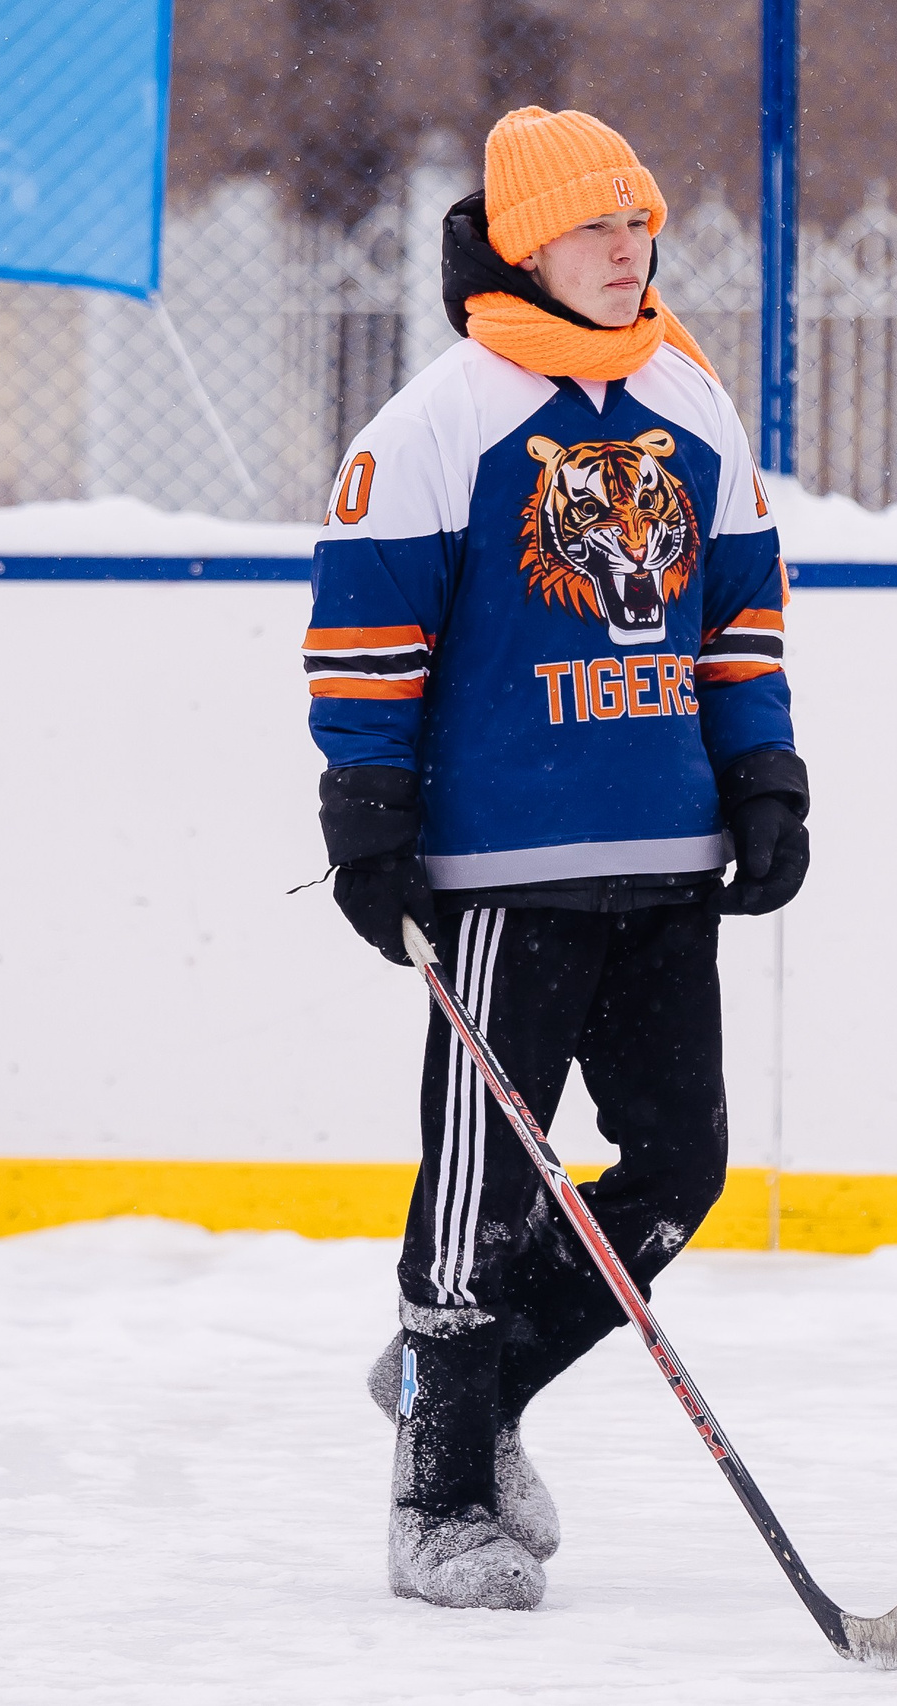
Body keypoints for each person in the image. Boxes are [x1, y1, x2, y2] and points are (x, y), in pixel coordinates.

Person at [303, 107, 807, 1611]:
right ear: (525, 243)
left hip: (666, 858)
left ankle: (465, 1393)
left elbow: (740, 616)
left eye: (640, 221)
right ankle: (440, 1499)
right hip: (501, 873)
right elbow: (366, 640)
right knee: (481, 1193)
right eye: (594, 224)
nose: (627, 247)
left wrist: (763, 776)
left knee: (679, 1169)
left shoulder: (690, 401)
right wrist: (369, 814)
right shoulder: (438, 422)